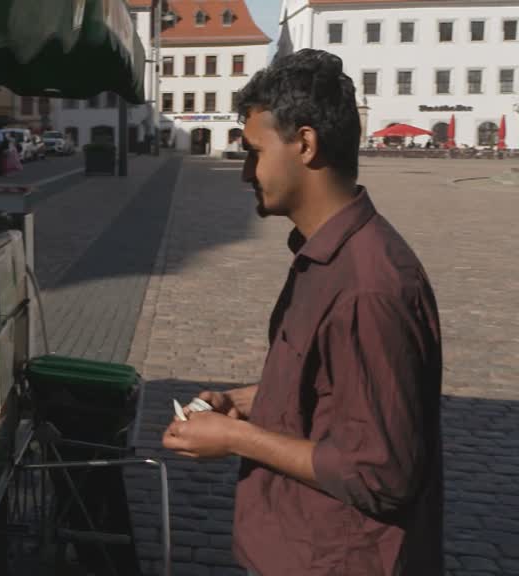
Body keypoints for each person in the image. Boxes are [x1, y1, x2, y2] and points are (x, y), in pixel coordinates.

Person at [162, 49, 443, 576]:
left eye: (254, 152)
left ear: (306, 144)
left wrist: (237, 439)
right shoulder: (326, 257)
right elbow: (332, 391)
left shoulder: (367, 286)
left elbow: (379, 471)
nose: (246, 171)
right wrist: (244, 402)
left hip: (337, 559)